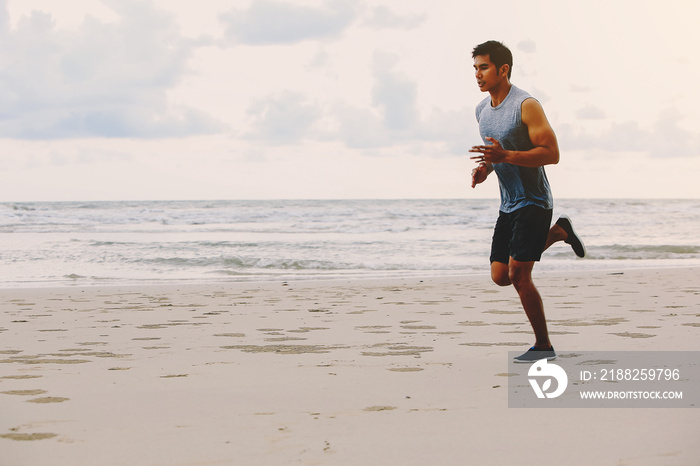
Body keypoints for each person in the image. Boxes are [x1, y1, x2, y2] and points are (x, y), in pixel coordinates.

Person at [468, 40, 586, 363]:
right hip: (508, 204)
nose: (478, 75)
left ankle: (543, 346)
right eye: (475, 68)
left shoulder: (526, 105)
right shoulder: (481, 111)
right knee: (500, 275)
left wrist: (506, 156)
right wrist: (487, 169)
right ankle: (559, 232)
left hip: (534, 201)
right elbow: (499, 152)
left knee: (520, 275)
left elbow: (552, 154)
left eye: (484, 67)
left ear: (503, 69)